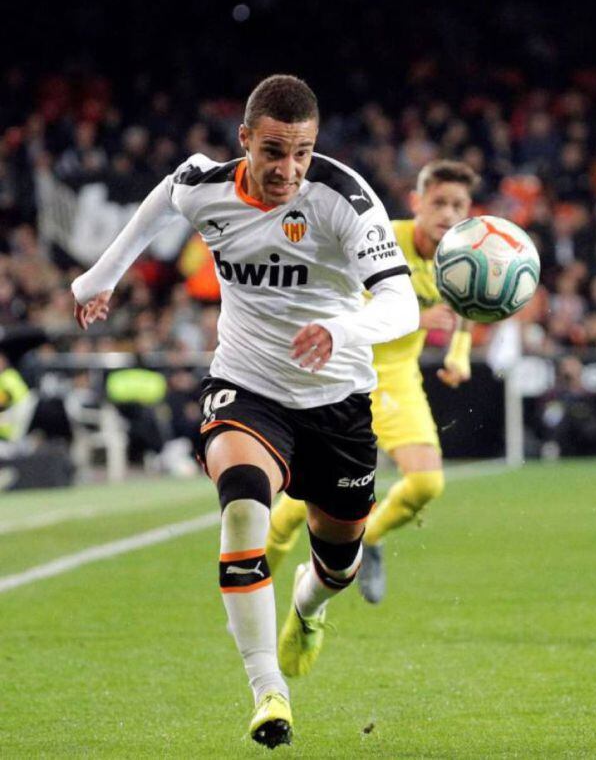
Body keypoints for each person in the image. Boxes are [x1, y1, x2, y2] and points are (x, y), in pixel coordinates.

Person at [71, 74, 418, 749]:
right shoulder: (208, 185)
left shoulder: (345, 198)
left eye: (302, 153)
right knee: (242, 507)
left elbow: (400, 304)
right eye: (273, 152)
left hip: (337, 402)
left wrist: (343, 330)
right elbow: (163, 198)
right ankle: (268, 690)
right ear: (246, 141)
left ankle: (307, 606)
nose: (288, 169)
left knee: (338, 562)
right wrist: (99, 279)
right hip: (247, 386)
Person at [265, 159, 478, 603]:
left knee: (426, 483)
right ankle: (254, 586)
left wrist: (459, 355)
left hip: (398, 378)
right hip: (345, 371)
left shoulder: (458, 257)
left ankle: (370, 539)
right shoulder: (383, 239)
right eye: (439, 202)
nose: (448, 213)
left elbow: (467, 307)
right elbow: (345, 305)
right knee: (301, 503)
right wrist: (416, 319)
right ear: (417, 202)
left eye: (458, 205)